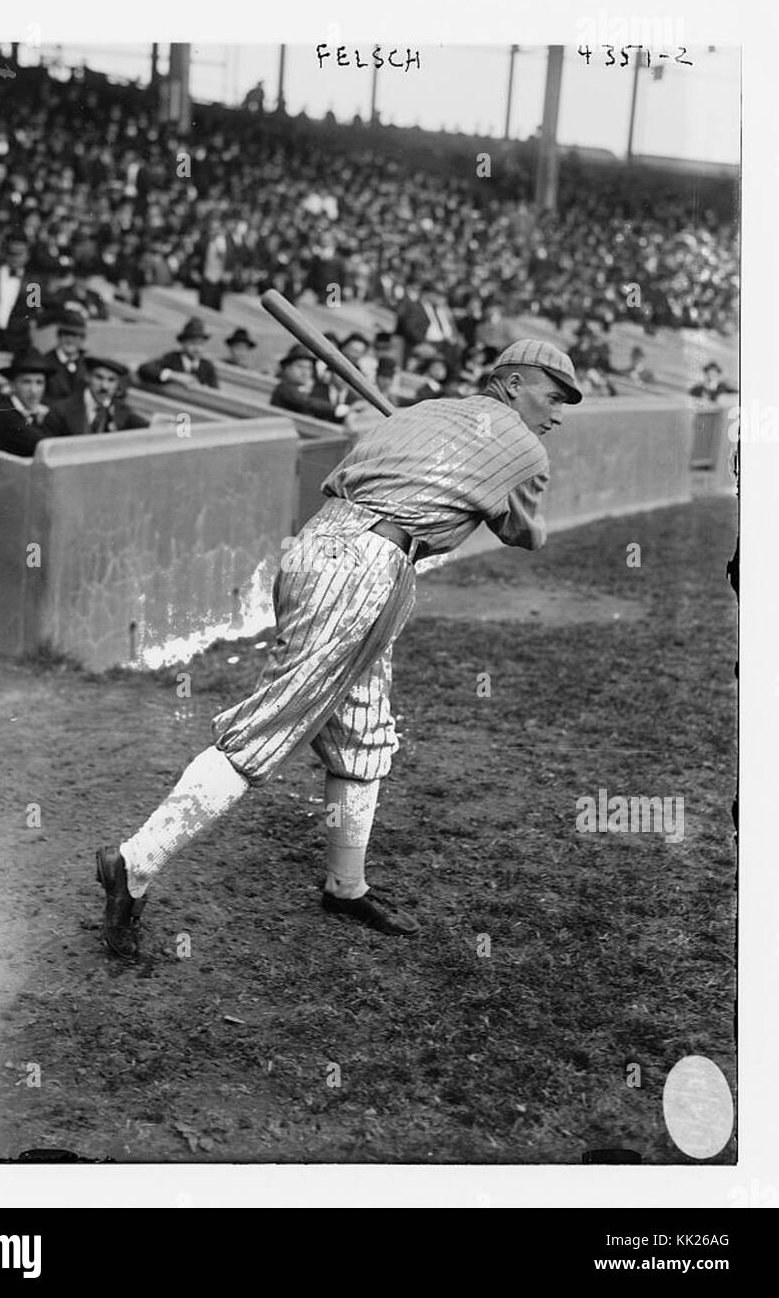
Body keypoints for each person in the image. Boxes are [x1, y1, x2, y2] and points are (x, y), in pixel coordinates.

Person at [95, 337, 582, 961]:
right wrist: (512, 497)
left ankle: (345, 885)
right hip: (365, 563)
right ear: (512, 384)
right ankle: (134, 862)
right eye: (551, 393)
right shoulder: (524, 446)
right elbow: (526, 535)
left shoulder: (418, 412)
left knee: (363, 730)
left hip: (327, 545)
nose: (559, 411)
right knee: (269, 726)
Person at [43, 360, 149, 436]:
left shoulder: (122, 412)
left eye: (111, 380)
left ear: (117, 384)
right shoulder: (60, 411)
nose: (104, 386)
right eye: (99, 378)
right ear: (88, 377)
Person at [0, 353, 51, 458]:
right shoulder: (4, 412)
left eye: (39, 383)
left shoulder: (37, 410)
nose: (34, 390)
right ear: (12, 385)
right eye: (26, 382)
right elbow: (46, 445)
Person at [136, 318, 219, 391]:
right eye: (193, 343)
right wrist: (175, 376)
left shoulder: (207, 366)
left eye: (200, 344)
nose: (197, 349)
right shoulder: (172, 358)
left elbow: (215, 392)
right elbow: (145, 369)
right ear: (183, 343)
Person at [39, 312, 91, 402]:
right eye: (66, 334)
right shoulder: (44, 363)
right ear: (58, 336)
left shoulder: (88, 363)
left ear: (82, 339)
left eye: (75, 335)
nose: (70, 340)